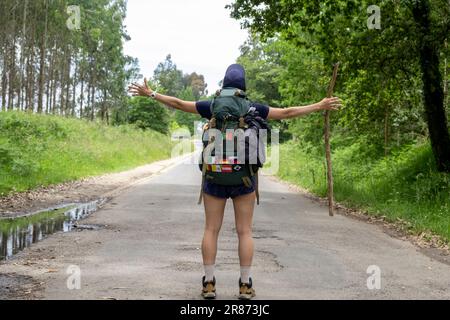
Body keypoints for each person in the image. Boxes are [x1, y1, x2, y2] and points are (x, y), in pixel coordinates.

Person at [128, 64, 342, 300]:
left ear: (224, 84)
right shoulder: (253, 107)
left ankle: (209, 284)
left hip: (215, 175)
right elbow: (288, 112)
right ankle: (244, 285)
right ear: (243, 85)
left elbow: (179, 104)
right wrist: (320, 105)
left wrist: (151, 94)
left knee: (211, 229)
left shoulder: (212, 105)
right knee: (244, 231)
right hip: (244, 176)